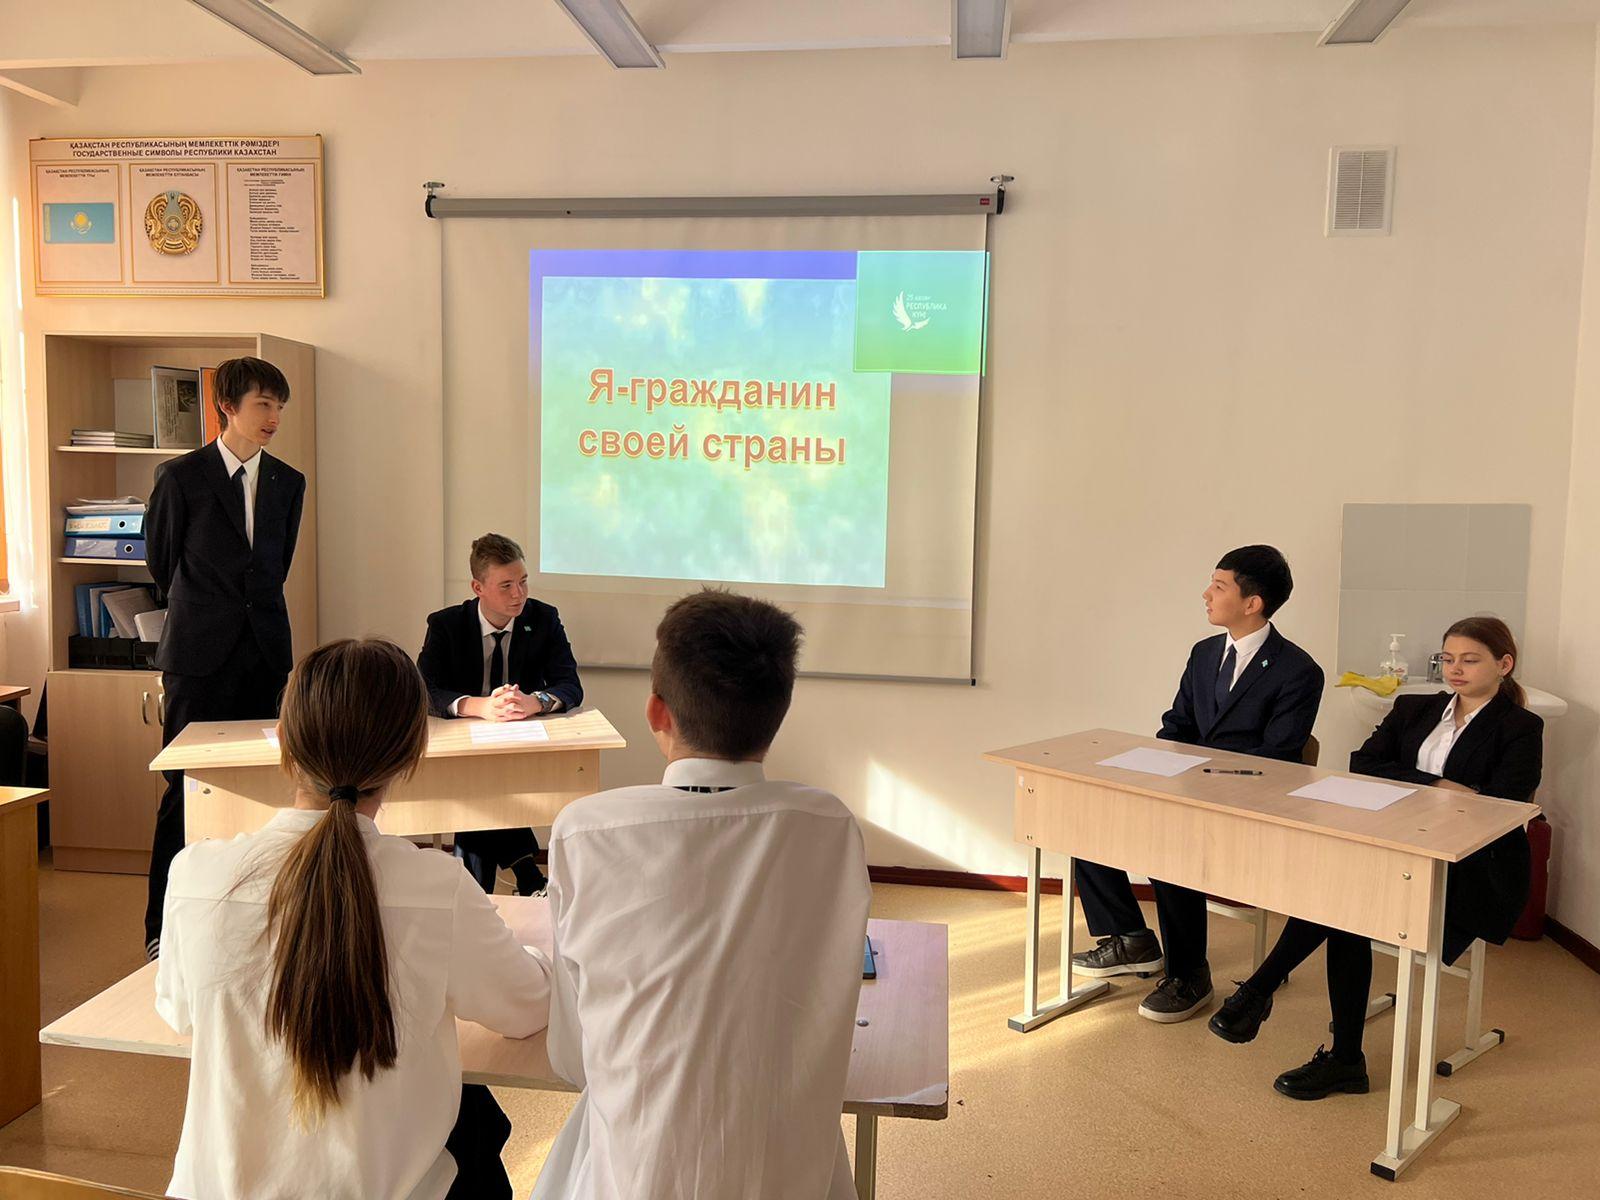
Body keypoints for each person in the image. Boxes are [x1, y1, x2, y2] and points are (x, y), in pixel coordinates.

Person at [154, 639, 551, 1200]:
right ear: (412, 755)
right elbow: (528, 1008)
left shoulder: (195, 873)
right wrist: (529, 951)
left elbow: (178, 1011)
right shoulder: (437, 886)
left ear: (283, 741)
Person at [530, 589, 870, 1200]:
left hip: (634, 1176)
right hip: (789, 1171)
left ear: (656, 713)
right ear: (779, 712)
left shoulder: (585, 831)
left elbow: (573, 1057)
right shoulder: (829, 826)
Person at [1208, 616, 1541, 1099]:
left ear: (1503, 665)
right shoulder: (1414, 707)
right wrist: (1441, 785)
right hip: (1395, 848)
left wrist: (1420, 786)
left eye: (1470, 660)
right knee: (1345, 905)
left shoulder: (1521, 727)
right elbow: (1363, 763)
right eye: (1448, 659)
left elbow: (1504, 802)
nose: (1455, 669)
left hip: (1469, 869)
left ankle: (1266, 996)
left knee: (1345, 904)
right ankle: (1336, 1053)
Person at [1071, 546, 1324, 1022]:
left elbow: (1278, 759)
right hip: (1187, 794)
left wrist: (1200, 779)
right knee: (1086, 822)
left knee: (1171, 849)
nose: (1206, 594)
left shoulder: (1299, 671)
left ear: (1252, 603)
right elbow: (1177, 727)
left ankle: (1190, 976)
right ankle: (1132, 938)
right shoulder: (1204, 653)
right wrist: (1154, 769)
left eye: (1219, 586)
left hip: (1245, 808)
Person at [143, 357, 306, 960]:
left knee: (265, 786)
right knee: (185, 788)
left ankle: (251, 922)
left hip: (265, 653)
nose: (274, 417)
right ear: (227, 406)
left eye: (279, 405)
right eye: (263, 404)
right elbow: (162, 565)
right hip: (197, 656)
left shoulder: (289, 482)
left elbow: (276, 567)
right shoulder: (180, 476)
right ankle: (163, 927)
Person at [417, 533, 582, 895]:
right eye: (506, 585)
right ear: (478, 588)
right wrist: (479, 706)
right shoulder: (446, 625)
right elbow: (424, 689)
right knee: (482, 787)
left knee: (480, 792)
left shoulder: (543, 618)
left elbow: (570, 685)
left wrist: (535, 701)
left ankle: (476, 892)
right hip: (464, 749)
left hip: (520, 746)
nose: (518, 594)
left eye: (523, 581)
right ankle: (527, 873)